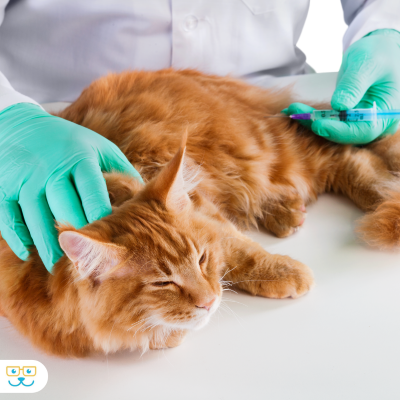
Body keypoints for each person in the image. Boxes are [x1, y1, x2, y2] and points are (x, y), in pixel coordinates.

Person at [0, 0, 399, 272]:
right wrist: (8, 118)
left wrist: (386, 29)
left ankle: (278, 189)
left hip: (257, 104)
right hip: (60, 132)